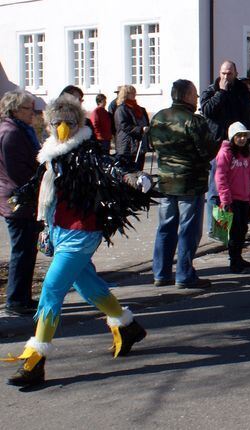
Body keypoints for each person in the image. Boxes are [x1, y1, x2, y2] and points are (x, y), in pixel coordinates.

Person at [3, 95, 155, 387]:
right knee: (87, 286)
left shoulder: (83, 151)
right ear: (49, 125)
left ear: (77, 124)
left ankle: (35, 359)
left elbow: (108, 166)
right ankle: (127, 325)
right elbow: (38, 184)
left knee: (51, 289)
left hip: (81, 232)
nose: (61, 128)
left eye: (68, 123)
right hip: (59, 229)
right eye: (56, 123)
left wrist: (131, 178)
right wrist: (20, 197)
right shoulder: (51, 153)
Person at [148, 79, 218, 289]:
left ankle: (161, 272)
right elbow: (207, 151)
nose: (196, 99)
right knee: (188, 229)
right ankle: (184, 274)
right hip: (190, 181)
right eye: (195, 95)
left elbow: (152, 144)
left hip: (166, 180)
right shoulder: (193, 121)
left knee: (165, 227)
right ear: (187, 96)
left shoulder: (158, 117)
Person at [200, 60, 250, 232]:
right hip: (218, 146)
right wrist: (221, 93)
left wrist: (248, 137)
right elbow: (207, 111)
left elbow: (249, 115)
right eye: (223, 73)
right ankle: (219, 230)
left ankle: (236, 228)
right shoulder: (211, 90)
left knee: (238, 187)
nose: (226, 76)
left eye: (229, 73)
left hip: (239, 144)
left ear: (236, 73)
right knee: (217, 188)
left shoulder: (242, 91)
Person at [0, 90, 42, 316]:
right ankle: (16, 300)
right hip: (17, 200)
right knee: (22, 251)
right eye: (29, 108)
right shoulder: (12, 133)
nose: (33, 113)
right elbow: (17, 172)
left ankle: (23, 298)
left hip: (20, 199)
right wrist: (39, 182)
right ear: (15, 110)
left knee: (27, 250)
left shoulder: (18, 130)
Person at [215, 122, 250, 272]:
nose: (241, 139)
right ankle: (234, 261)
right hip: (232, 200)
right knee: (234, 232)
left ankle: (239, 257)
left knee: (242, 230)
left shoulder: (245, 155)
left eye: (244, 136)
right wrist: (225, 199)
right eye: (238, 136)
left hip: (244, 199)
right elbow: (221, 177)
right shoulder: (226, 153)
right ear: (232, 137)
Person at [113, 85, 150, 169]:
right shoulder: (121, 109)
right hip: (127, 146)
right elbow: (124, 125)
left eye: (134, 92)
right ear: (125, 94)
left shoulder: (140, 109)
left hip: (140, 145)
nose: (134, 94)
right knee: (129, 172)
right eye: (131, 93)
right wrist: (140, 129)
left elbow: (146, 123)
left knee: (139, 170)